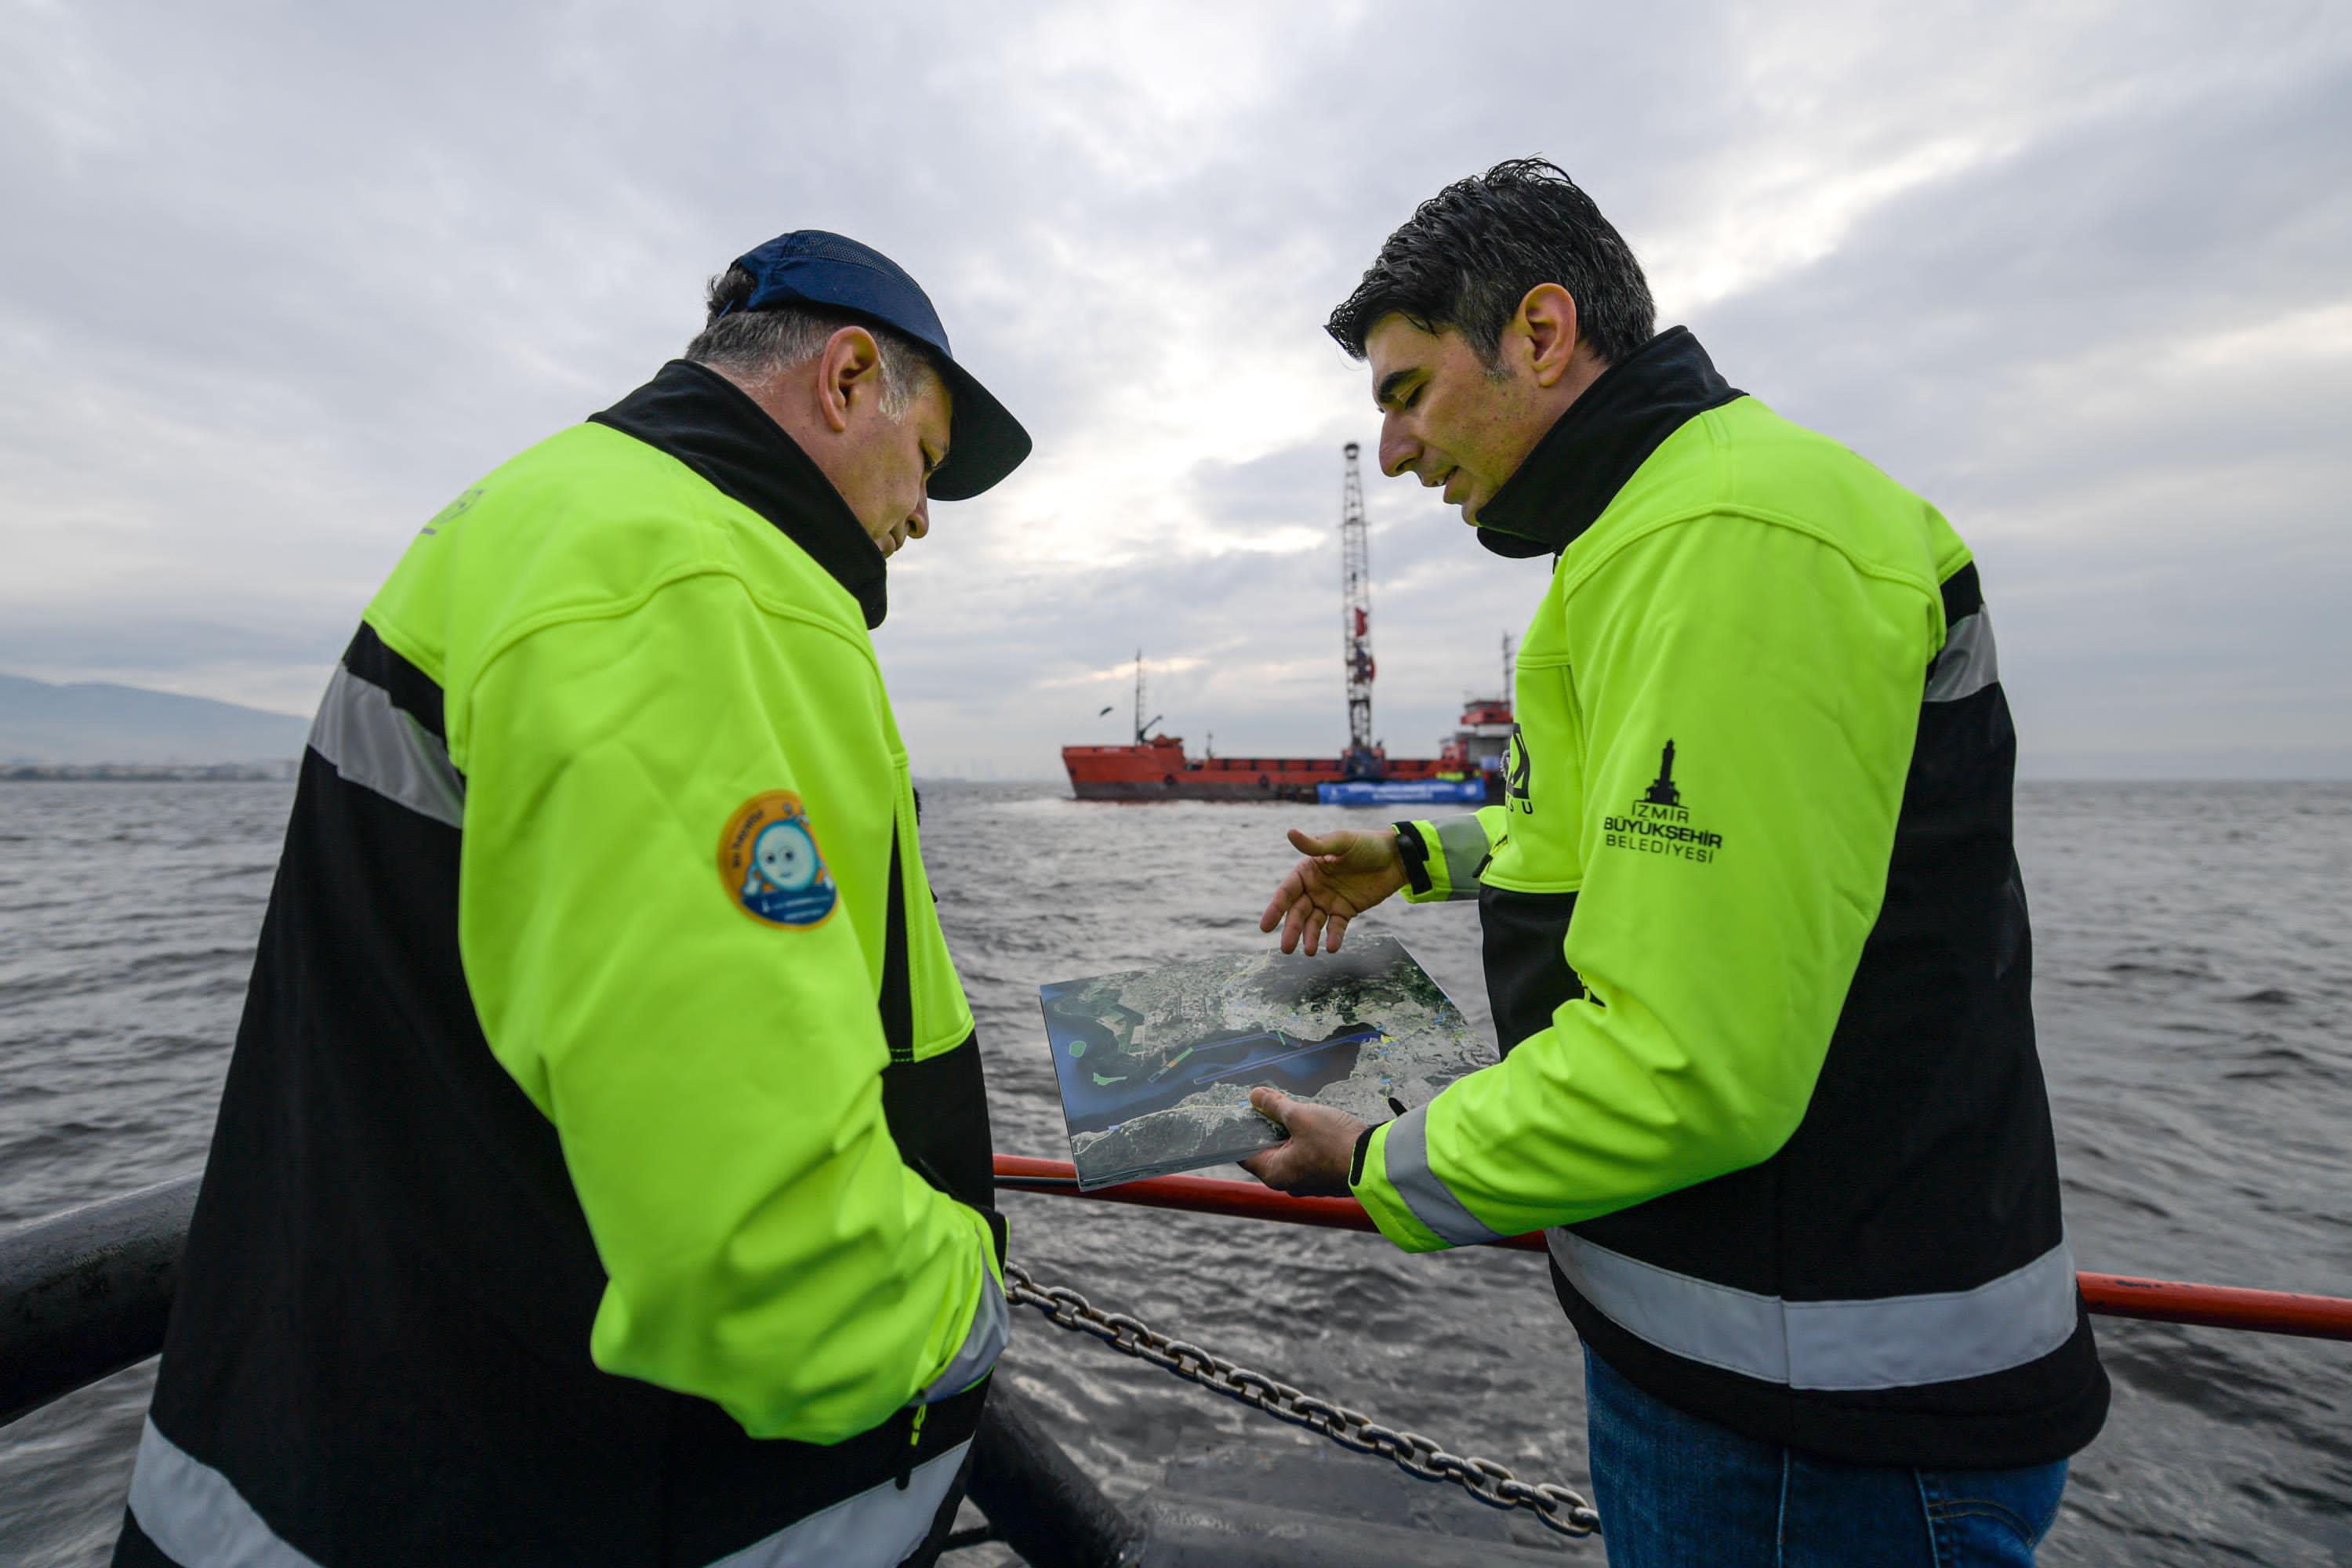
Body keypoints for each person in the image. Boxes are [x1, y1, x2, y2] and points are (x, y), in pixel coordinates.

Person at [114, 231, 1030, 1568]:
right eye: (928, 463)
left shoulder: (534, 520)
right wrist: (971, 1300)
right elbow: (765, 1257)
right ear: (844, 381)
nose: (922, 515)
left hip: (346, 1452)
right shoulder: (694, 584)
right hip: (558, 1492)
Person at [1245, 160, 2107, 1566]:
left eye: (1405, 392)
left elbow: (1688, 1070)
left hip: (1823, 1428)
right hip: (1759, 1368)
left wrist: (1384, 1159)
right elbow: (1606, 839)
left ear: (1540, 333)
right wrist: (1415, 853)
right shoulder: (1651, 530)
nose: (1394, 451)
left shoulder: (1724, 542)